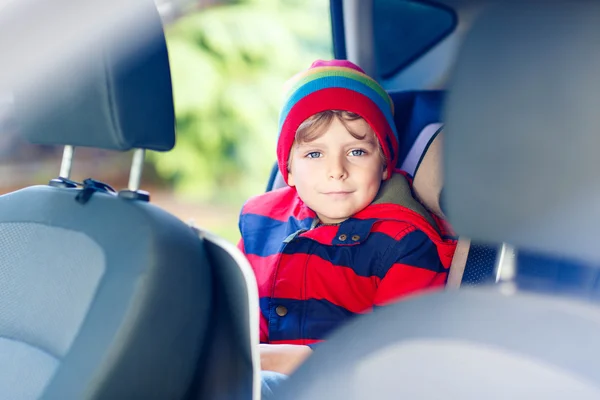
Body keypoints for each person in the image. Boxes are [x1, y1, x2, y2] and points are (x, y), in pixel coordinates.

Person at [237, 59, 457, 397]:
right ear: (288, 168)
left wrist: (288, 361)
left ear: (384, 164)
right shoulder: (260, 222)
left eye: (356, 151)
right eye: (314, 154)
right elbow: (238, 312)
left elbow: (399, 356)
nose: (336, 170)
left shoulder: (405, 244)